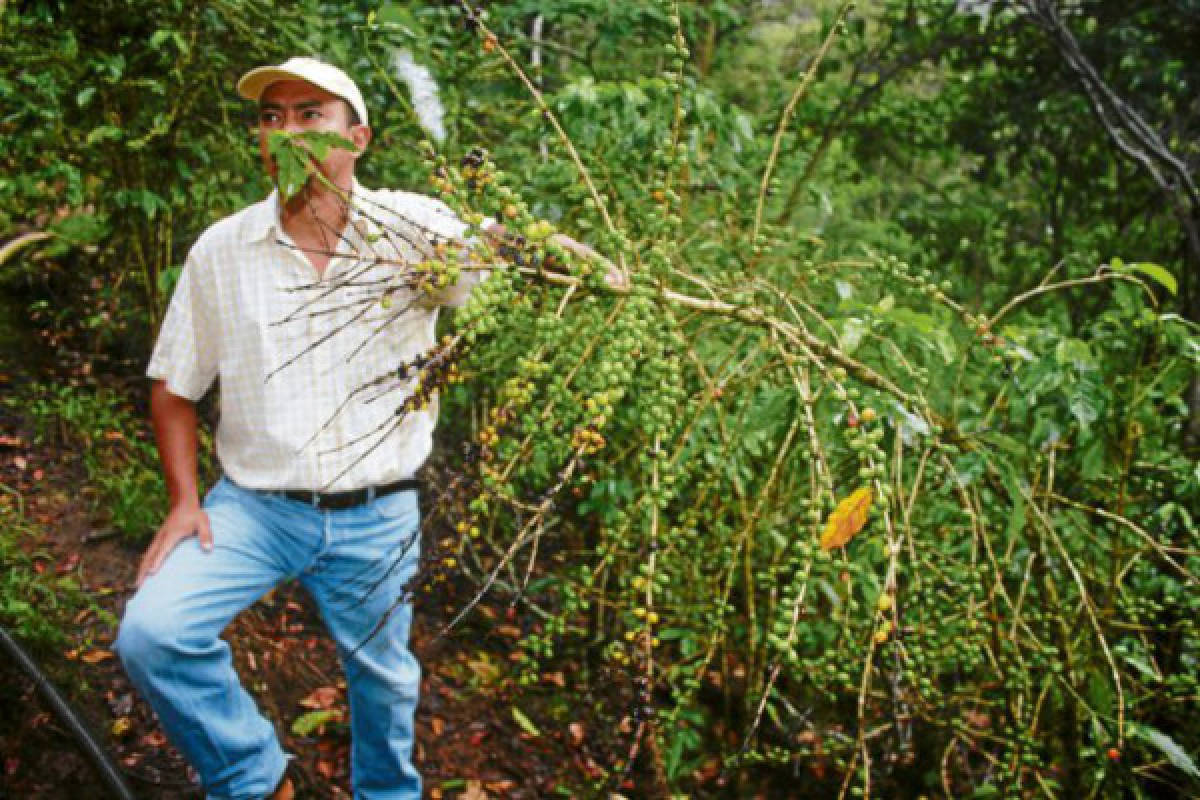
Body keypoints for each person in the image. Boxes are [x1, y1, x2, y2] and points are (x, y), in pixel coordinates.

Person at [114, 57, 609, 800]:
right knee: (152, 633)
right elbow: (174, 387)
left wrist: (568, 258)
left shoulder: (412, 229)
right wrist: (185, 501)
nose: (286, 131)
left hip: (378, 514)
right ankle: (252, 777)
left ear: (359, 136)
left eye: (310, 114)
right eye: (270, 117)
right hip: (254, 509)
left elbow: (499, 246)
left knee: (384, 681)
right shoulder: (222, 251)